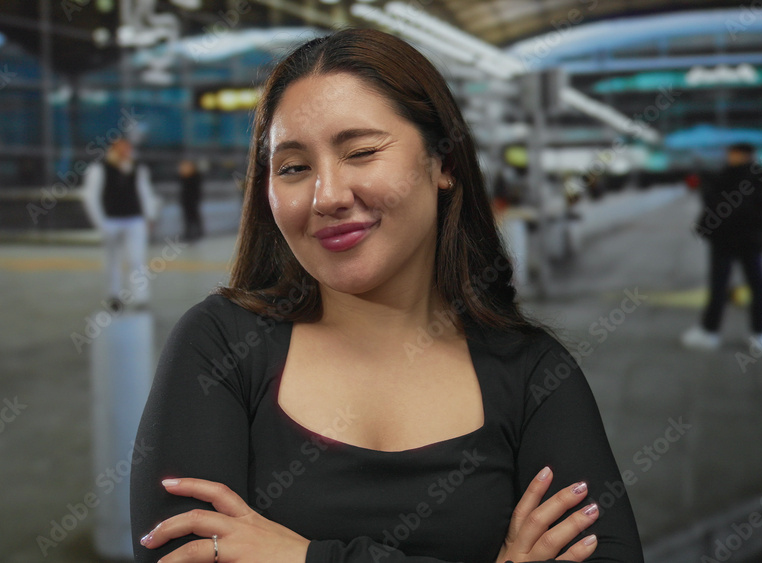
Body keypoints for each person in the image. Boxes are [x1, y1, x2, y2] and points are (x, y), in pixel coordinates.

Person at [130, 28, 643, 563]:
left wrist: (305, 557)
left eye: (361, 151)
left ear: (443, 161)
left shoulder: (534, 375)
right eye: (293, 168)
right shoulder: (220, 346)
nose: (327, 196)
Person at [683, 143, 762, 355]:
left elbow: (711, 203)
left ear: (738, 155)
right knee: (756, 286)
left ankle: (710, 333)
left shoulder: (724, 176)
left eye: (731, 154)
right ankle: (759, 334)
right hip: (750, 240)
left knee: (720, 286)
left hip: (725, 240)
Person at [81, 137, 161, 311]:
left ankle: (140, 297)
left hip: (134, 219)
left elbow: (145, 193)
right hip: (112, 220)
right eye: (121, 148)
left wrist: (150, 217)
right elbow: (91, 197)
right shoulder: (100, 168)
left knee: (136, 259)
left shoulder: (137, 168)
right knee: (113, 259)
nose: (125, 151)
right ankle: (114, 295)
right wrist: (100, 222)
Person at [177, 158, 204, 241]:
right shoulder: (184, 178)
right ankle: (189, 233)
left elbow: (197, 189)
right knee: (187, 218)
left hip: (193, 200)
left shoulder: (196, 176)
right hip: (186, 200)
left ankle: (198, 232)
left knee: (194, 216)